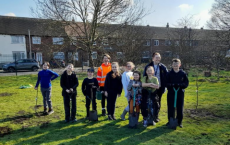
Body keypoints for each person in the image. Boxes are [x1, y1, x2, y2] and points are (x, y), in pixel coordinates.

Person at [143, 52, 168, 122]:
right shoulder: (148, 66)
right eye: (156, 57)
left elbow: (166, 77)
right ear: (153, 58)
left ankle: (155, 116)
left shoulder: (163, 67)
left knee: (157, 102)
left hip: (159, 88)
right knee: (148, 102)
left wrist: (165, 86)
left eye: (159, 57)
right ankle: (148, 115)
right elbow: (144, 76)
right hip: (149, 88)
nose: (158, 59)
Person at [166, 58, 189, 128]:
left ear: (180, 65)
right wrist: (171, 85)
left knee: (179, 107)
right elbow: (166, 82)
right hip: (171, 93)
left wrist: (181, 85)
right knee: (170, 107)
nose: (175, 66)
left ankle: (179, 121)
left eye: (177, 64)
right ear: (172, 65)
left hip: (179, 93)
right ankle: (170, 120)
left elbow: (186, 83)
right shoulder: (169, 73)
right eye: (174, 65)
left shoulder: (183, 74)